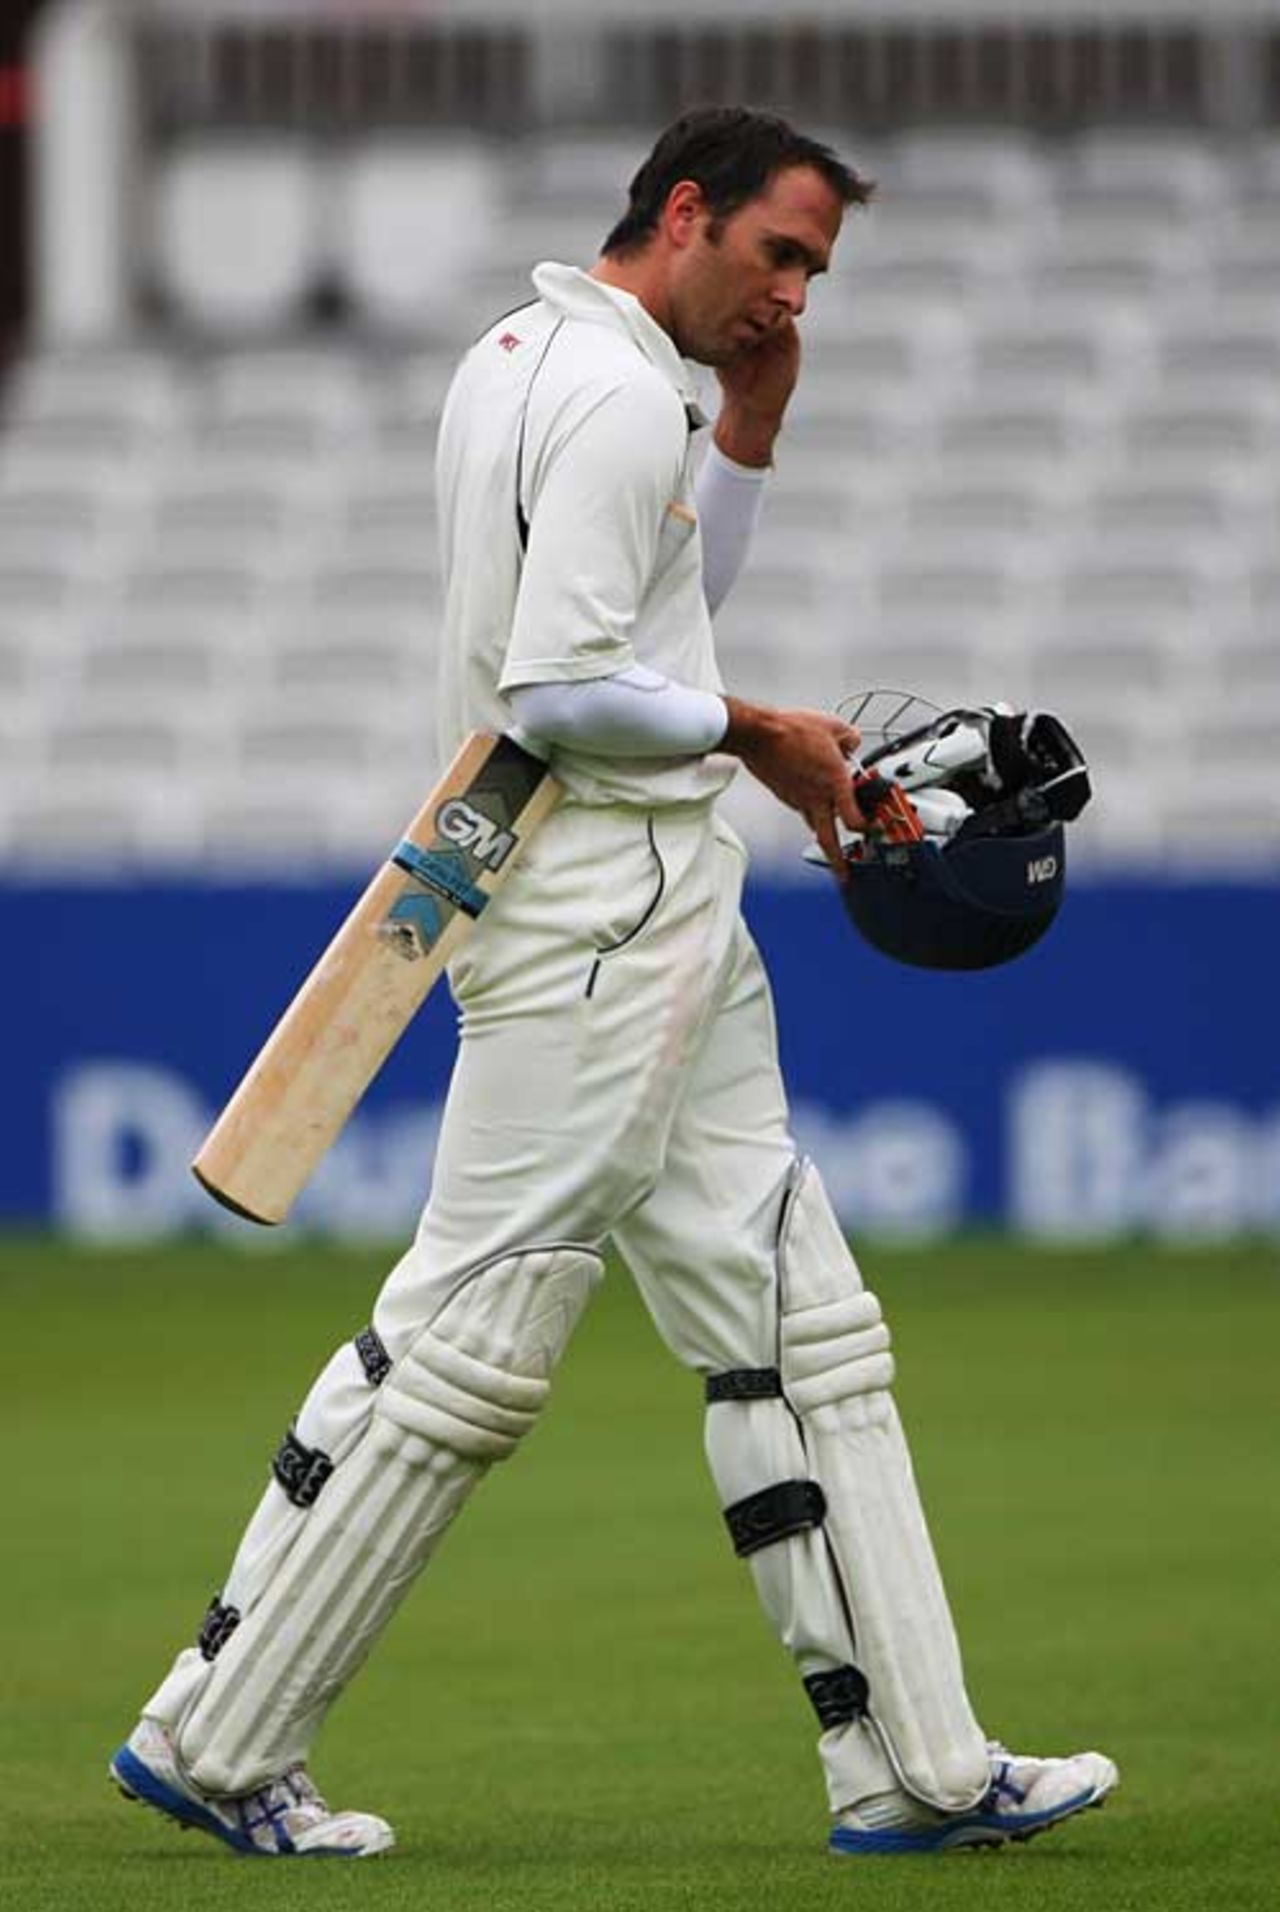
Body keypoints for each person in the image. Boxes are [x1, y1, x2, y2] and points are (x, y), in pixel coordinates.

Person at [110, 106, 1117, 1861]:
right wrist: (767, 735)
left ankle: (915, 1764)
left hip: (656, 899)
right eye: (781, 255)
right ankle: (220, 1731)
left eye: (817, 271)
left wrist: (751, 439)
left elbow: (657, 618)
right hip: (598, 911)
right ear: (685, 211)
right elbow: (566, 684)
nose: (794, 294)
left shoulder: (534, 358)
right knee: (472, 1338)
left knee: (799, 1322)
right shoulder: (604, 394)